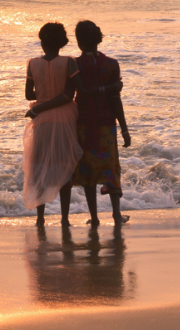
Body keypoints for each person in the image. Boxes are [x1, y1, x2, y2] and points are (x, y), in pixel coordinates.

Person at [22, 22, 83, 226]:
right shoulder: (69, 62)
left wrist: (40, 103)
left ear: (42, 41)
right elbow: (68, 96)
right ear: (63, 42)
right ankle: (65, 219)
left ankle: (40, 219)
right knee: (64, 166)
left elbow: (29, 94)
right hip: (64, 119)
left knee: (40, 168)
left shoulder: (32, 64)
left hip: (41, 120)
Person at [72, 20, 131, 226]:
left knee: (88, 169)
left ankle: (95, 217)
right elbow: (116, 100)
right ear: (98, 39)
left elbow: (71, 96)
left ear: (79, 42)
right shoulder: (111, 64)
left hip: (83, 125)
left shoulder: (75, 65)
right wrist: (124, 129)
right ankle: (116, 215)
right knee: (111, 168)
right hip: (107, 124)